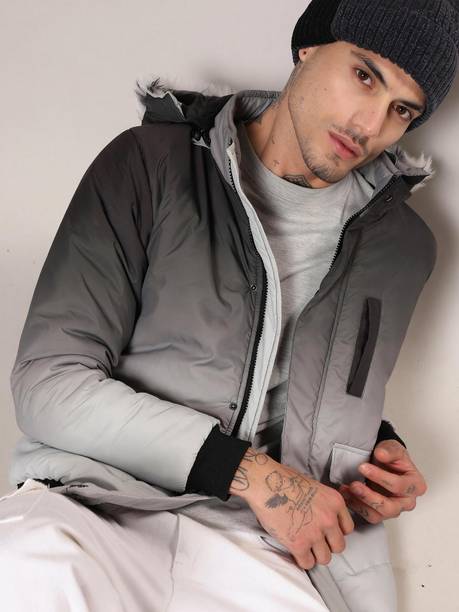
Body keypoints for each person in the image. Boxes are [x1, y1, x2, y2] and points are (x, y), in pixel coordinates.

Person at [2, 0, 458, 610]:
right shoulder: (151, 164)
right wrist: (249, 472)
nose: (368, 124)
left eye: (402, 109)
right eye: (364, 75)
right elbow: (48, 385)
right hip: (100, 505)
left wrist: (375, 454)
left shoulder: (401, 246)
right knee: (22, 567)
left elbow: (306, 384)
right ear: (308, 48)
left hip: (261, 547)